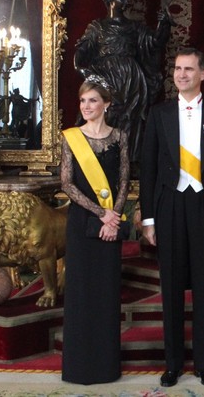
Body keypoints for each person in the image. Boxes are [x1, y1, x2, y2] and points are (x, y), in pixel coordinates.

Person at [139, 47, 204, 388]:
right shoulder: (159, 114)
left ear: (203, 73)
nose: (181, 74)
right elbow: (149, 169)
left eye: (189, 69)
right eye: (178, 69)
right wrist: (149, 219)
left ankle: (203, 364)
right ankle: (172, 364)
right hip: (169, 205)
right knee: (170, 287)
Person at [60, 76, 130, 384]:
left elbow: (125, 180)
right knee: (81, 293)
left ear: (106, 105)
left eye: (92, 101)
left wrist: (114, 216)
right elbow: (67, 183)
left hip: (110, 225)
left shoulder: (120, 137)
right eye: (83, 101)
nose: (86, 106)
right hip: (82, 223)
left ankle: (105, 366)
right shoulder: (72, 137)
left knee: (106, 293)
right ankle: (79, 367)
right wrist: (102, 213)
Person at [74, 0, 172, 165]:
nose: (126, 2)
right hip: (106, 76)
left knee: (132, 119)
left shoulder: (134, 27)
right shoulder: (98, 26)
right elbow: (82, 50)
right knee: (106, 113)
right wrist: (80, 68)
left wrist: (163, 23)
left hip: (131, 79)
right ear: (111, 0)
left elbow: (156, 42)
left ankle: (129, 160)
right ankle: (101, 158)